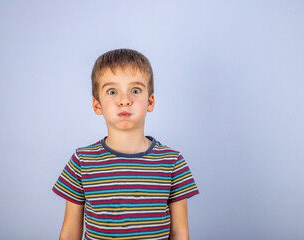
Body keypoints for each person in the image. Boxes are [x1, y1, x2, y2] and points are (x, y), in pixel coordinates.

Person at [53, 49, 199, 240]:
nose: (124, 100)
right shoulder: (82, 161)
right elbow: (70, 231)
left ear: (150, 101)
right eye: (112, 91)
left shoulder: (172, 162)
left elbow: (180, 232)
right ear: (97, 105)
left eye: (135, 90)